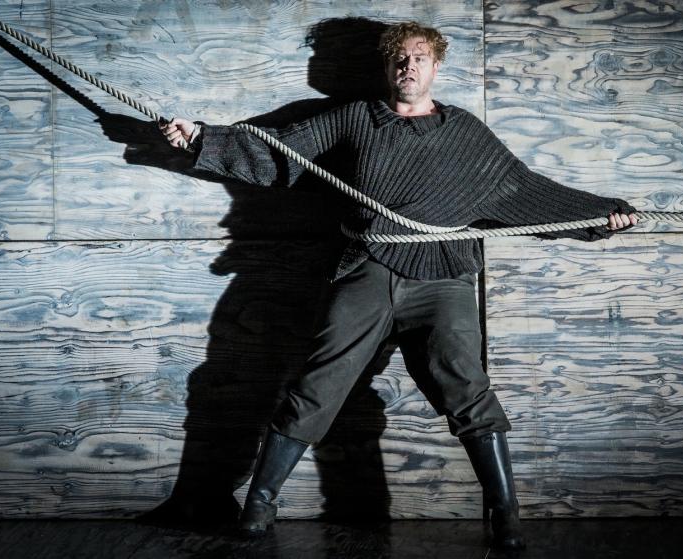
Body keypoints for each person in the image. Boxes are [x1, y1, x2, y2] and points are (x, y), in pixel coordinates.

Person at [160, 21, 637, 550]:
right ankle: (259, 505)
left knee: (466, 387)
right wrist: (203, 138)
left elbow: (526, 191)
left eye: (419, 58)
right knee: (318, 383)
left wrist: (602, 215)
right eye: (399, 59)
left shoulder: (464, 134)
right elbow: (281, 151)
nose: (408, 66)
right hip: (368, 268)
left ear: (436, 66)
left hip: (445, 275)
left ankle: (506, 516)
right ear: (388, 67)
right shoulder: (355, 118)